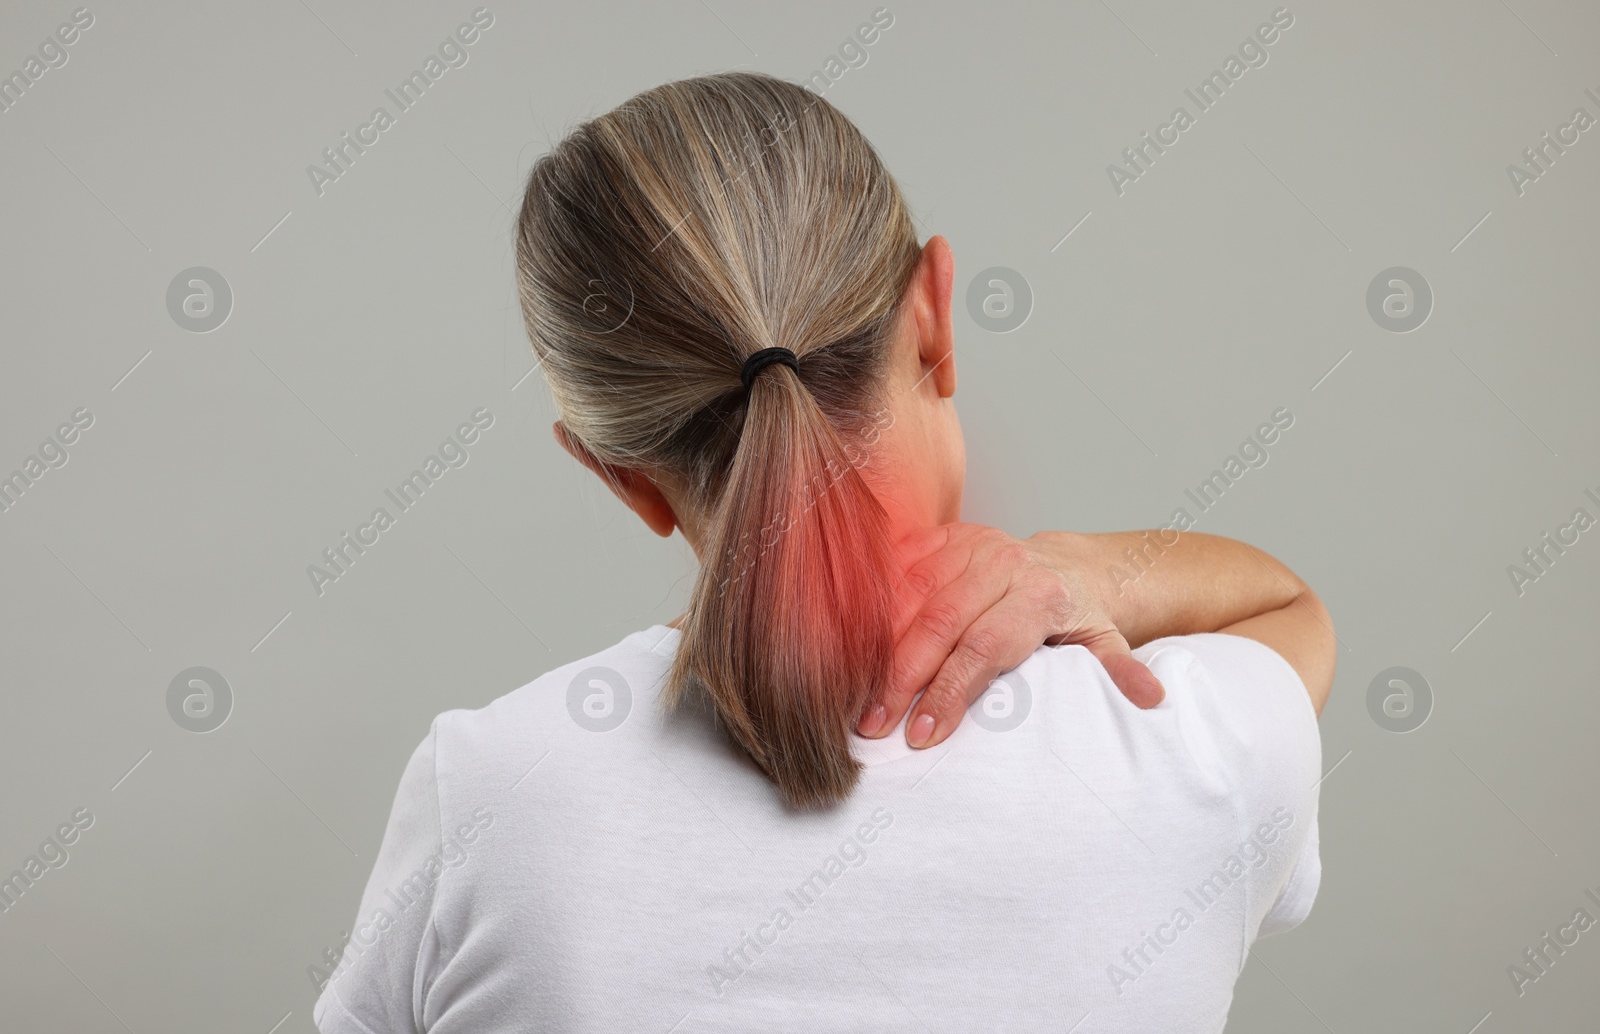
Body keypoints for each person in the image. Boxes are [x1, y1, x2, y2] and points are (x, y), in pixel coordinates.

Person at [314, 71, 1334, 1033]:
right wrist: (1082, 568)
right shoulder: (1175, 743)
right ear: (932, 311)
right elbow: (1288, 609)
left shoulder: (489, 796)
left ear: (615, 470)